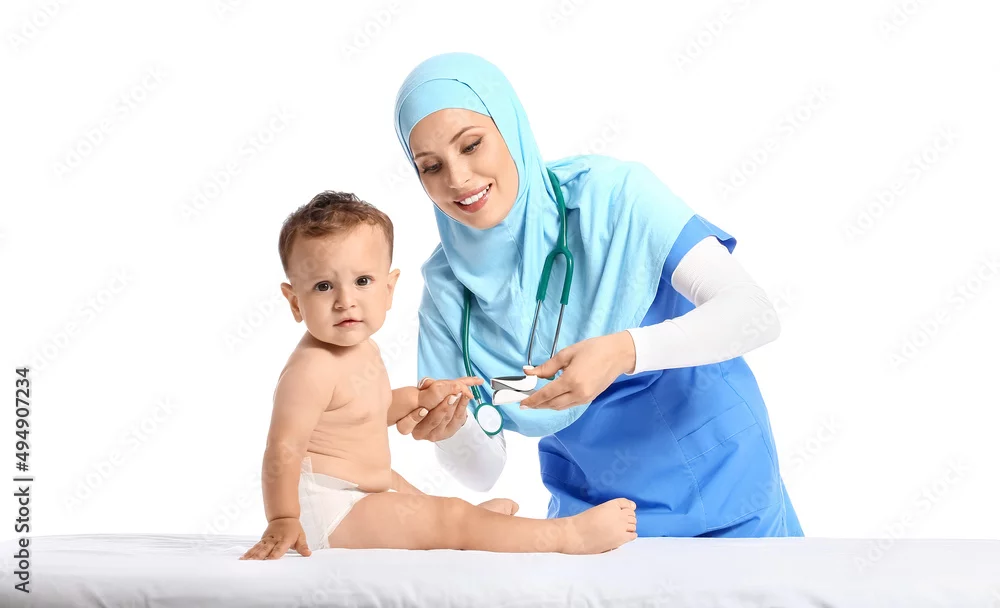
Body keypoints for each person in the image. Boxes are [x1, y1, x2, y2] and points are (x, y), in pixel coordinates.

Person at [392, 52, 804, 538]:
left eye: (472, 145)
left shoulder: (614, 196)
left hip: (725, 491)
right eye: (431, 166)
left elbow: (754, 313)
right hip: (595, 520)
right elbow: (483, 471)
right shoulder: (447, 292)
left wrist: (624, 351)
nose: (457, 178)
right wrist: (453, 431)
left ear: (510, 127)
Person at [239, 191, 638, 560]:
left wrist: (418, 398)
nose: (346, 301)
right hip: (327, 508)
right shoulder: (311, 368)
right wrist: (283, 518)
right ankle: (566, 536)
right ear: (295, 302)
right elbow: (282, 448)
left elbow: (364, 411)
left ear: (388, 289)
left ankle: (474, 523)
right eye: (324, 286)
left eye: (362, 281)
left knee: (423, 502)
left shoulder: (362, 348)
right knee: (445, 517)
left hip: (364, 490)